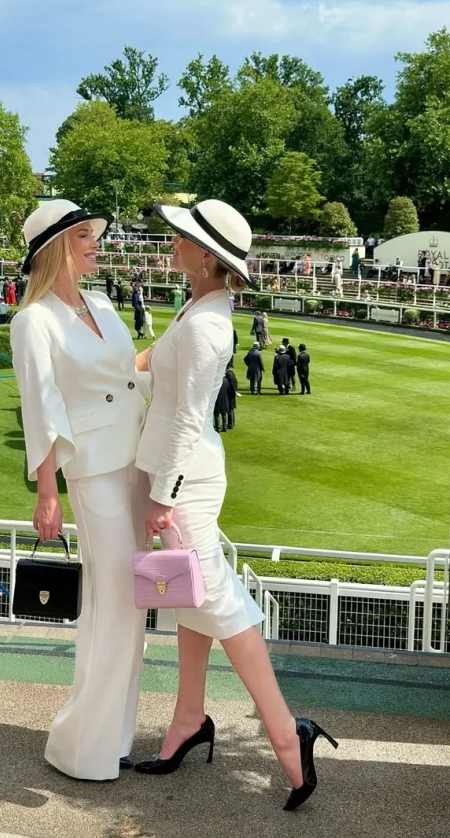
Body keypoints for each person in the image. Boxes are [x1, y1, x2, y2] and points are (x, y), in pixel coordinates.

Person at [134, 199, 333, 811]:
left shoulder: (206, 323)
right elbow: (156, 374)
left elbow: (188, 417)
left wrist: (162, 497)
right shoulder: (196, 308)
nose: (172, 241)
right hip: (181, 475)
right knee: (192, 596)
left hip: (185, 481)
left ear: (206, 255)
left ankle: (286, 734)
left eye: (181, 236)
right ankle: (189, 718)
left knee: (213, 597)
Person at [10, 199, 151, 781]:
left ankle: (113, 739)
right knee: (112, 603)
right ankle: (82, 747)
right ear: (56, 248)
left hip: (139, 460)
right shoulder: (32, 321)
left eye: (94, 233)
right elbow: (40, 409)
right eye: (83, 235)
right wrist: (48, 492)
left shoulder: (103, 304)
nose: (95, 242)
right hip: (93, 470)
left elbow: (128, 372)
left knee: (131, 603)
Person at [225, 362, 238, 430]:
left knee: (230, 409)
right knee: (231, 409)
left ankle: (230, 424)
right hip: (232, 393)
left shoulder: (228, 373)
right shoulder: (232, 372)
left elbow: (232, 384)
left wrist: (233, 391)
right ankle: (232, 423)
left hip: (230, 394)